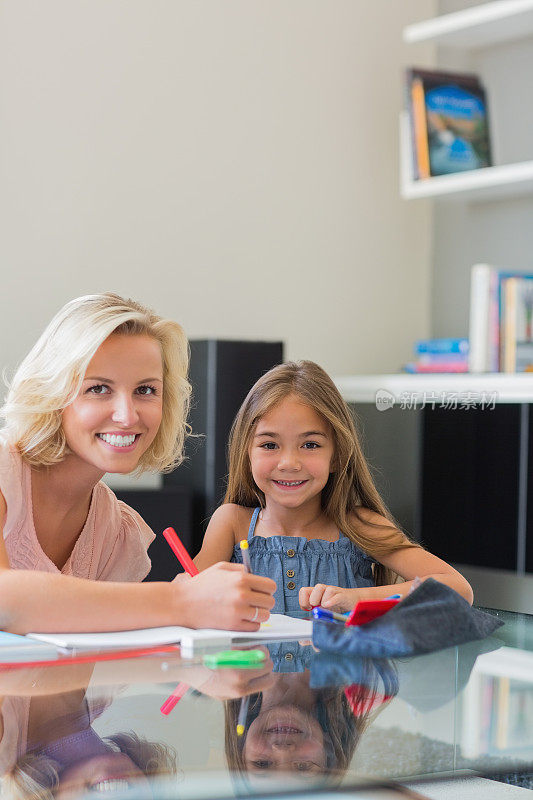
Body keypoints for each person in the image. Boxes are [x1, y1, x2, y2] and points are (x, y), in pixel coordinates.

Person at [0, 293, 275, 634]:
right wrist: (182, 601)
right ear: (52, 393)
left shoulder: (120, 533)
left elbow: (85, 672)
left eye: (145, 390)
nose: (127, 416)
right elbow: (5, 600)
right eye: (99, 388)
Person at [194, 360, 473, 613]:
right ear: (247, 452)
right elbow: (189, 599)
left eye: (310, 445)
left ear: (337, 456)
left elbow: (457, 590)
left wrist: (357, 598)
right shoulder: (231, 523)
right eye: (269, 445)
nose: (289, 463)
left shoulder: (359, 525)